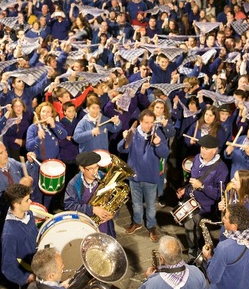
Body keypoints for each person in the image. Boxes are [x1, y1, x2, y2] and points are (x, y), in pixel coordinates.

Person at [118, 109, 169, 242]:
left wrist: (158, 144)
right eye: (146, 122)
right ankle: (137, 222)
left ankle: (151, 226)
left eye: (152, 122)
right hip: (135, 176)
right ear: (140, 122)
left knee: (151, 206)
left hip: (150, 177)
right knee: (136, 204)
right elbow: (121, 149)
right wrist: (125, 139)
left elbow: (164, 153)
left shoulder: (157, 134)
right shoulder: (133, 133)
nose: (149, 125)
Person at [176, 134, 228, 259]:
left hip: (205, 208)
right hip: (190, 203)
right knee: (189, 229)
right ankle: (192, 254)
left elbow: (219, 194)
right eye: (202, 147)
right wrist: (185, 189)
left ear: (215, 151)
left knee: (201, 235)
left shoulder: (221, 169)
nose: (203, 151)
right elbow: (192, 179)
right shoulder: (197, 158)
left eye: (207, 149)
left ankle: (204, 258)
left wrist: (202, 186)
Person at [0, 184, 37, 289]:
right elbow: (7, 267)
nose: (31, 202)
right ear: (16, 204)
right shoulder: (9, 233)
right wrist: (26, 278)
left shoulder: (29, 214)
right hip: (27, 271)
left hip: (35, 264)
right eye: (27, 200)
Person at [64, 151, 117, 237]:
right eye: (91, 169)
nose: (95, 171)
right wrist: (92, 209)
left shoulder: (105, 178)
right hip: (84, 226)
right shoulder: (73, 183)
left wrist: (112, 214)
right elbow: (69, 206)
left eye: (96, 167)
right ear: (82, 168)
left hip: (104, 227)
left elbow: (116, 200)